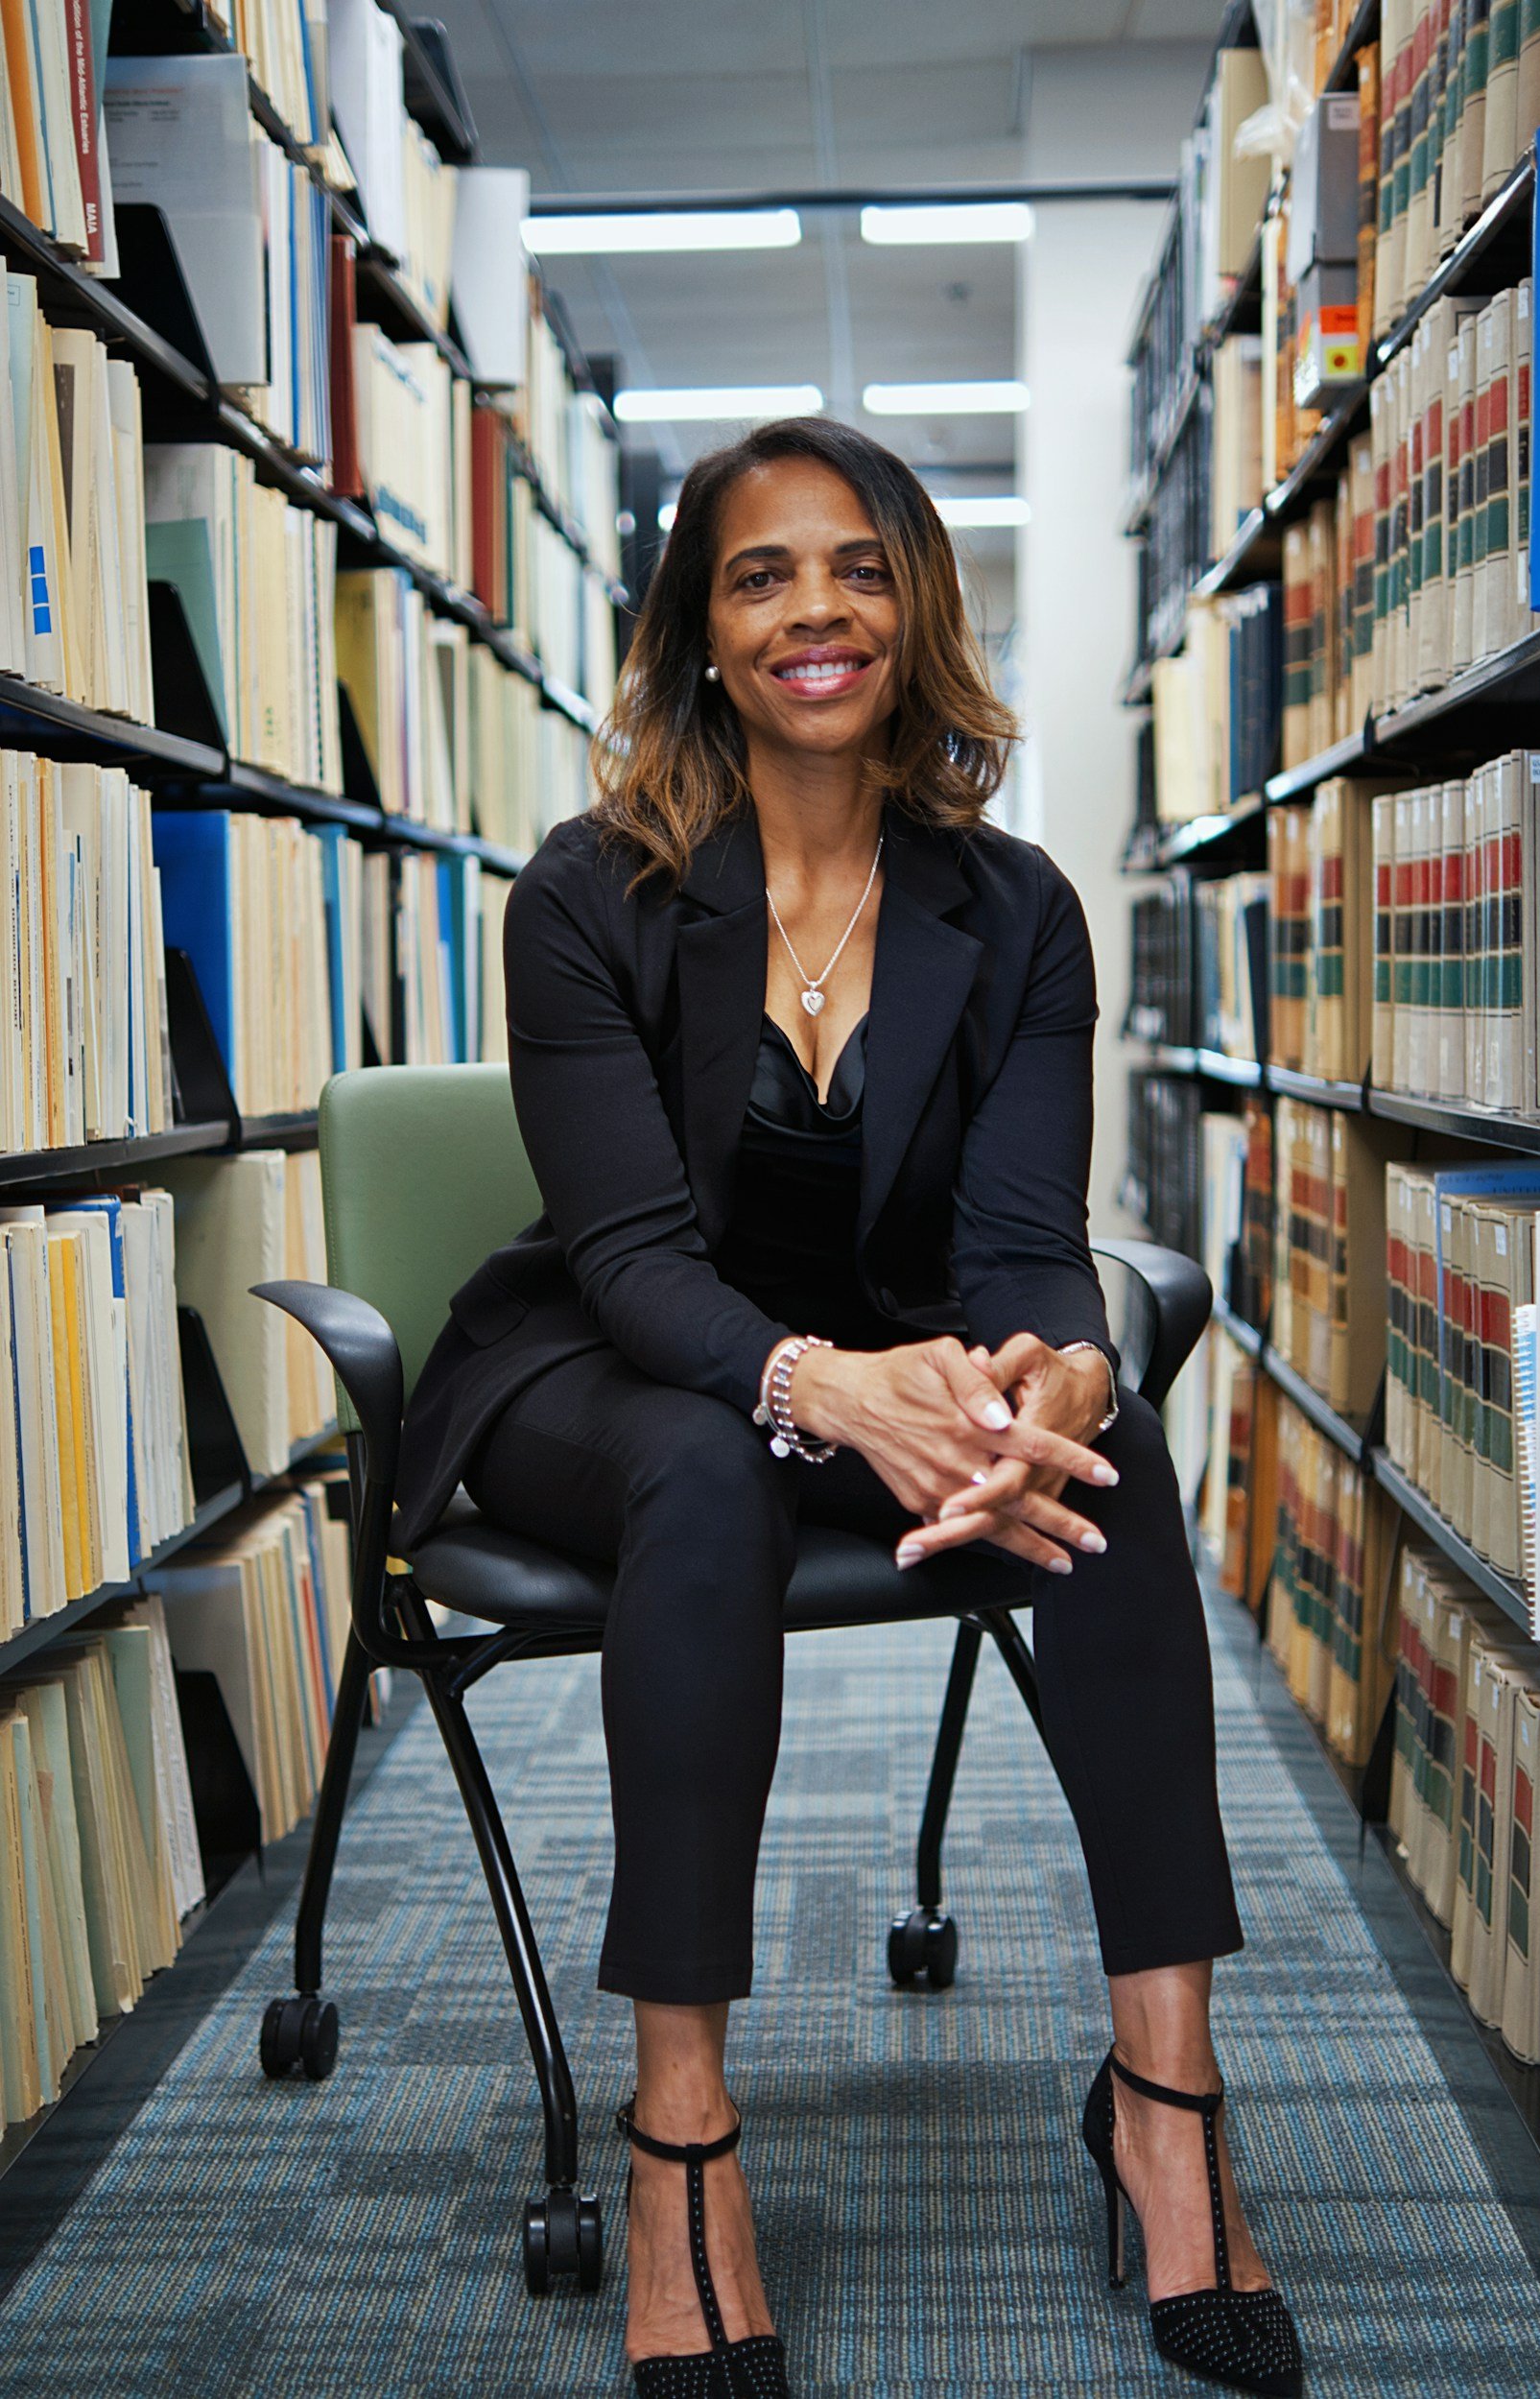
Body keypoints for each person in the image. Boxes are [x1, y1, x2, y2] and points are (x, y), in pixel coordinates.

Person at [393, 417, 1303, 2399]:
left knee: (1109, 1441)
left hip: (889, 1355)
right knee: (717, 1464)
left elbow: (1020, 1234)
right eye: (760, 572)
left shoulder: (1017, 907)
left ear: (915, 608)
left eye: (860, 566)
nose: (817, 606)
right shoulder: (587, 893)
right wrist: (820, 1383)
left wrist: (1051, 1363)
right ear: (699, 632)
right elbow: (631, 1253)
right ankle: (679, 2135)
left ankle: (1164, 2089)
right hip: (607, 1371)